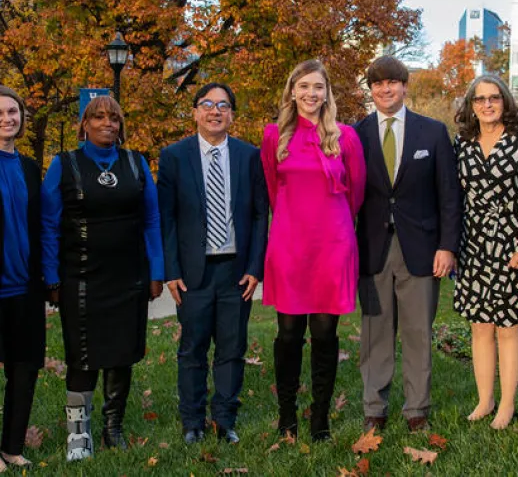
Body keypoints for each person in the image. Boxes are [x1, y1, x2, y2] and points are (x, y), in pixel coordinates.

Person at [41, 95, 164, 461]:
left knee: (121, 353)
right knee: (82, 355)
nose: (107, 123)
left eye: (114, 118)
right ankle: (79, 434)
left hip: (128, 277)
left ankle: (113, 427)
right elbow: (49, 225)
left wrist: (156, 271)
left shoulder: (136, 163)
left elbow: (152, 220)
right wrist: (51, 277)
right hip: (80, 277)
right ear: (85, 124)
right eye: (99, 117)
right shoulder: (64, 165)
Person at [354, 55, 461, 433]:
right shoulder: (356, 134)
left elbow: (449, 195)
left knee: (417, 333)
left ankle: (417, 409)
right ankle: (374, 408)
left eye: (393, 83)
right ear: (371, 90)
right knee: (375, 333)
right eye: (378, 84)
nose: (386, 89)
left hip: (421, 249)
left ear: (405, 85)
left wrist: (447, 246)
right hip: (372, 249)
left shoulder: (432, 133)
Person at [158, 83, 268, 445]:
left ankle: (225, 420)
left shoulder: (249, 156)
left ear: (232, 114)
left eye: (223, 105)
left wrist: (256, 267)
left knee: (232, 348)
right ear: (195, 112)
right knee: (192, 349)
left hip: (236, 271)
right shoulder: (174, 156)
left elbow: (258, 216)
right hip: (193, 272)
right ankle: (192, 421)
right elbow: (167, 218)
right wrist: (171, 270)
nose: (215, 111)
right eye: (207, 104)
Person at [261, 59, 365, 441]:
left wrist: (332, 228)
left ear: (327, 93)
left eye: (318, 87)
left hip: (332, 246)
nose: (310, 93)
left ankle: (319, 417)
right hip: (290, 245)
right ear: (292, 91)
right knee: (288, 333)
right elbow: (273, 191)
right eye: (303, 86)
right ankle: (286, 415)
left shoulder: (346, 137)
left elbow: (356, 193)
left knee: (324, 334)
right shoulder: (275, 136)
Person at [454, 75, 518, 429]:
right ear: (471, 106)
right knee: (480, 326)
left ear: (505, 102)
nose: (487, 104)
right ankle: (485, 399)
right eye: (480, 99)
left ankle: (507, 403)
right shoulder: (463, 144)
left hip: (511, 243)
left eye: (494, 98)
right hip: (472, 244)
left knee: (507, 327)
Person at [0, 87, 53, 471]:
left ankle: (12, 448)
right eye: (0, 112)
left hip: (26, 288)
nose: (7, 118)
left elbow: (43, 226)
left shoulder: (32, 168)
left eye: (13, 111)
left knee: (25, 369)